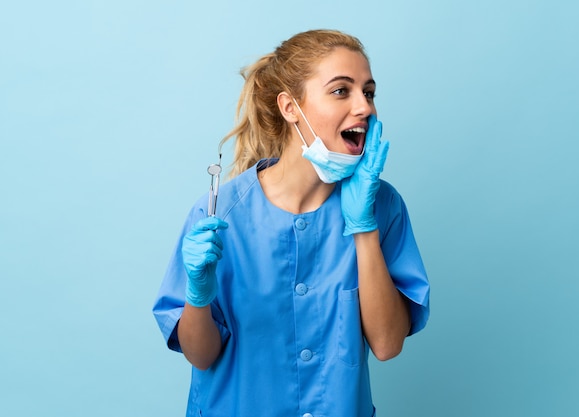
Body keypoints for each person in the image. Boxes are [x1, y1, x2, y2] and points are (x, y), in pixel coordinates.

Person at [153, 29, 430, 417]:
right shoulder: (220, 213)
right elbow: (201, 357)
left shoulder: (382, 206)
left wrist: (363, 227)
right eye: (341, 91)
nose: (364, 107)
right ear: (290, 107)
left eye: (368, 92)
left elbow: (386, 345)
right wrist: (198, 296)